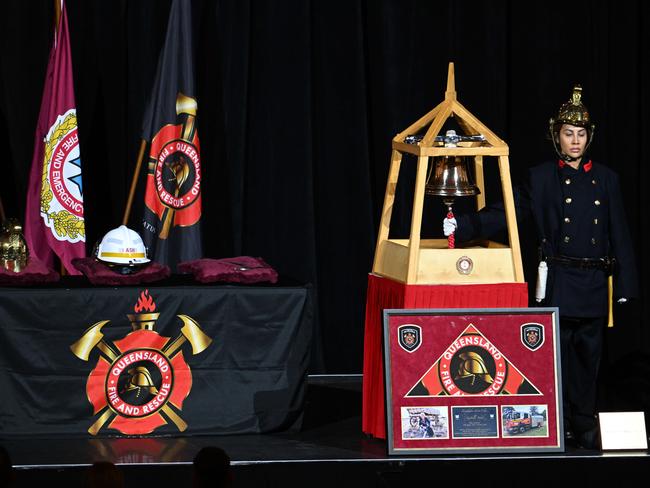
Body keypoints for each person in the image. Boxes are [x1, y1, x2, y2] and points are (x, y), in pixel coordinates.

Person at [443, 85, 638, 449]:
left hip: (594, 281)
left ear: (589, 137)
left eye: (581, 134)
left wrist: (626, 284)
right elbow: (507, 213)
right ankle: (558, 420)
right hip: (560, 281)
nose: (575, 141)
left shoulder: (608, 179)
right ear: (556, 136)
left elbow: (620, 233)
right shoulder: (542, 177)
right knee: (556, 358)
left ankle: (584, 422)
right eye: (569, 134)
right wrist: (465, 226)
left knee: (588, 360)